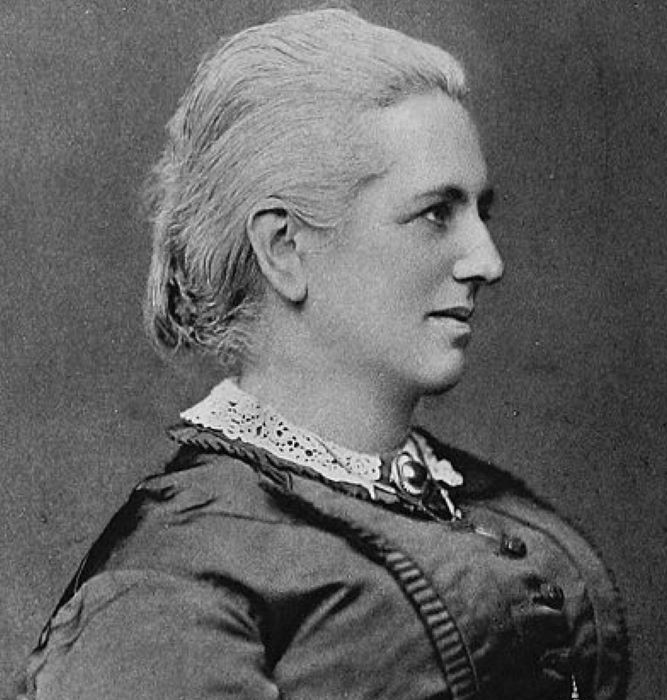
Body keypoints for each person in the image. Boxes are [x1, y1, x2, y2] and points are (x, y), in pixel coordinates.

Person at [21, 8, 628, 700]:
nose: (487, 262)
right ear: (285, 248)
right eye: (436, 213)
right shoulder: (170, 574)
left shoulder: (473, 493)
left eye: (481, 212)